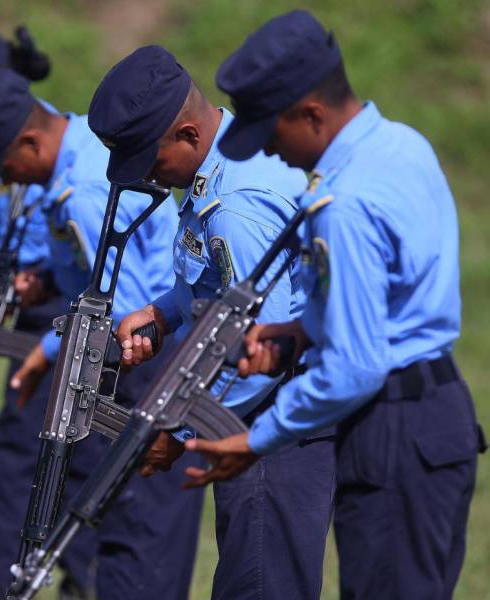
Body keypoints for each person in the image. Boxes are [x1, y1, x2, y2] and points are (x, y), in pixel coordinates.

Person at [185, 10, 486, 600]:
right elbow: (396, 295)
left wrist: (254, 439)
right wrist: (300, 333)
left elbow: (356, 365)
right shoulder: (403, 144)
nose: (269, 153)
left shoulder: (342, 204)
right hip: (440, 412)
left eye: (270, 135)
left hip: (392, 429)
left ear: (312, 114)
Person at [88, 45, 335, 600]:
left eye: (149, 159)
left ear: (187, 136)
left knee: (260, 584)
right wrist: (162, 313)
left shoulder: (235, 207)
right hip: (254, 413)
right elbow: (218, 285)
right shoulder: (220, 167)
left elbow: (261, 351)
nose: (147, 174)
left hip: (272, 418)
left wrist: (177, 432)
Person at [0, 68, 204, 600]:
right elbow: (91, 280)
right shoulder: (84, 153)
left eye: (7, 167)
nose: (11, 181)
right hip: (145, 346)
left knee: (139, 537)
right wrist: (46, 286)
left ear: (29, 141)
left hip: (150, 357)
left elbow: (126, 307)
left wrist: (51, 351)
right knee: (122, 531)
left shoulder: (86, 190)